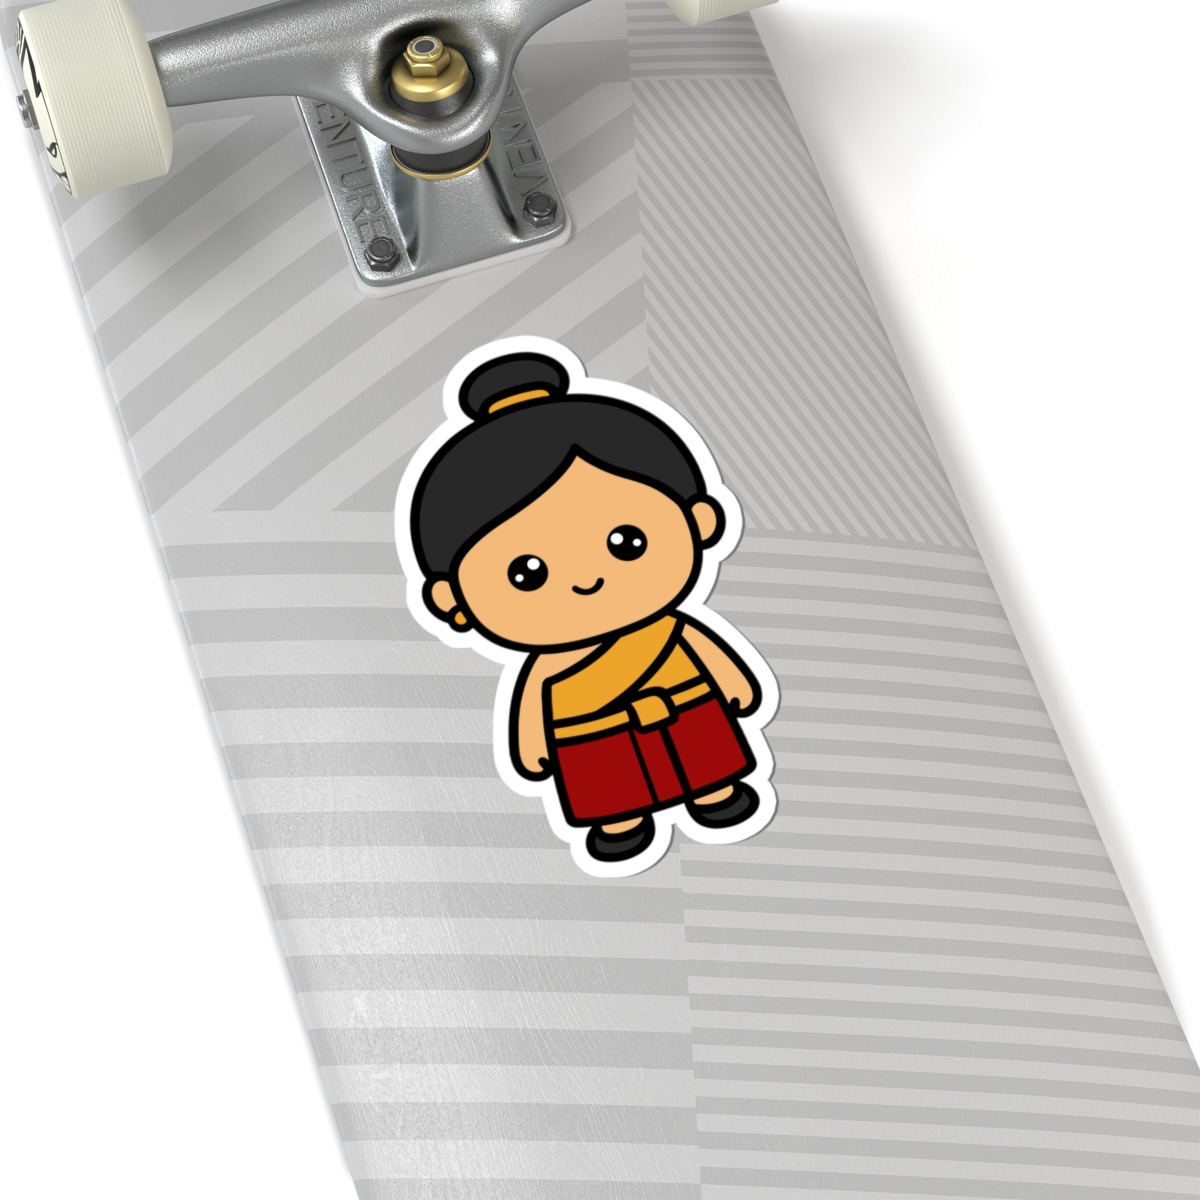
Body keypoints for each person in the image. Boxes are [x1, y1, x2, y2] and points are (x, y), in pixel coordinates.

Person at [403, 346, 773, 867]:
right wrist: (533, 744)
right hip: (590, 733)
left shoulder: (672, 629)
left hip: (686, 703)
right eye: (527, 574)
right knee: (611, 784)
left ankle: (715, 793)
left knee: (703, 757)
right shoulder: (547, 666)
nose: (586, 580)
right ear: (452, 600)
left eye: (626, 543)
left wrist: (735, 685)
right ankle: (620, 821)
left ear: (700, 522)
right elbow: (533, 698)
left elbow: (708, 653)